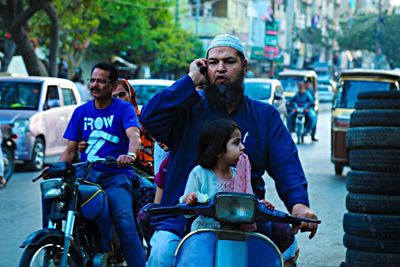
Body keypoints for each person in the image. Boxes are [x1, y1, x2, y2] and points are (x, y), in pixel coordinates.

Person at [140, 33, 318, 266]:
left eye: (229, 62)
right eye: (213, 62)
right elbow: (150, 117)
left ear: (244, 66)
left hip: (245, 220)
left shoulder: (265, 116)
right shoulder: (186, 110)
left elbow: (287, 164)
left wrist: (299, 204)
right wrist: (190, 79)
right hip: (183, 219)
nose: (220, 68)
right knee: (161, 255)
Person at [59, 62, 145, 267]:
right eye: (92, 80)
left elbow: (134, 136)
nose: (95, 85)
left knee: (125, 225)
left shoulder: (124, 109)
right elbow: (70, 151)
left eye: (101, 81)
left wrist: (130, 155)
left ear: (112, 85)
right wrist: (56, 169)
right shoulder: (81, 112)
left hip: (116, 176)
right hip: (85, 177)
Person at [180, 118, 275, 233]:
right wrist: (190, 199)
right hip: (205, 234)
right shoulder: (199, 173)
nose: (242, 147)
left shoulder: (239, 175)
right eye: (236, 143)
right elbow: (186, 212)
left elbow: (245, 202)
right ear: (218, 149)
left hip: (235, 234)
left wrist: (260, 205)